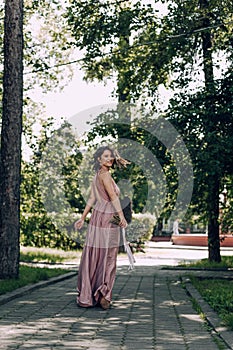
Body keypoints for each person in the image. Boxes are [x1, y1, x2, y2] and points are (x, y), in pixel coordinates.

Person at [74, 146, 130, 310]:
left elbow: (92, 198)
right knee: (108, 256)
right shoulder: (105, 175)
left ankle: (93, 293)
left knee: (96, 254)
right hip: (108, 217)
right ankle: (104, 295)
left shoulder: (97, 175)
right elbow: (112, 197)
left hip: (98, 217)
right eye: (106, 156)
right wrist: (121, 216)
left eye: (111, 156)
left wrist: (83, 217)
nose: (110, 159)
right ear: (99, 159)